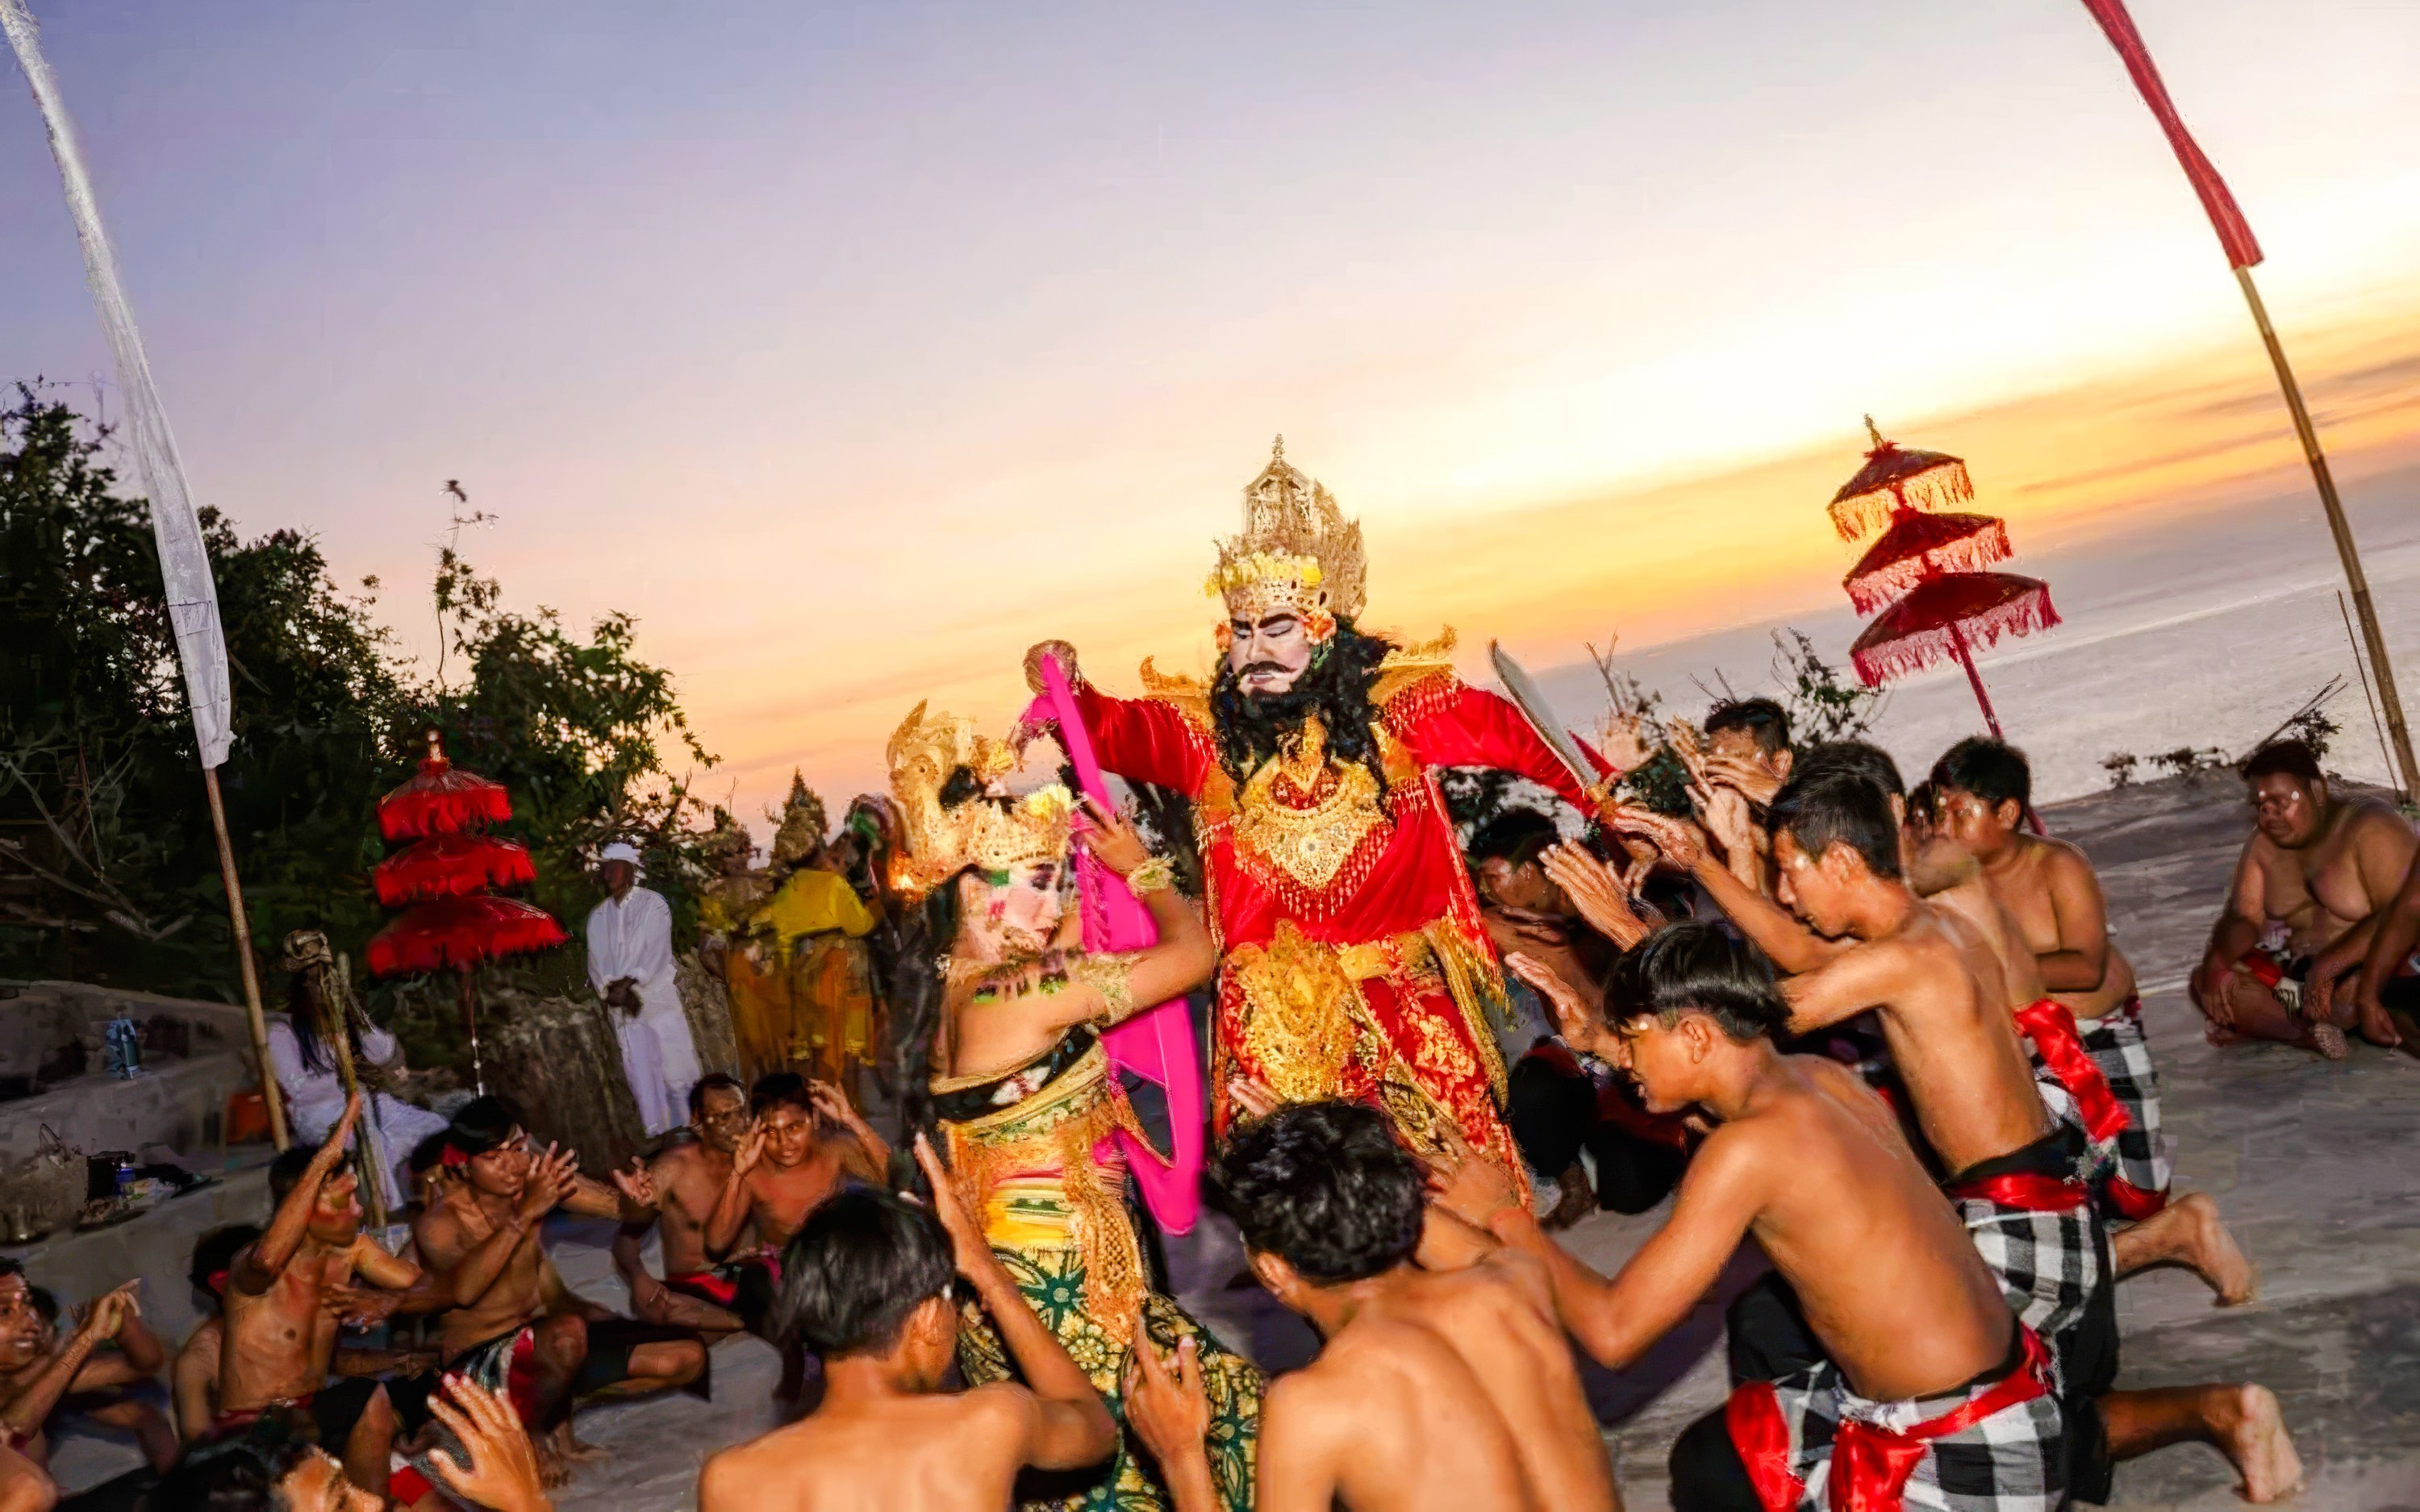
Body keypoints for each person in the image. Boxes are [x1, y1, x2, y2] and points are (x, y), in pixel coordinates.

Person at [1622, 774, 2300, 1505]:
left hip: (2019, 1210)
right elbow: (1790, 953)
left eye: (1791, 870)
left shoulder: (1904, 957)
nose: (1788, 893)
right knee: (2013, 1406)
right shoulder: (1926, 928)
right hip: (2030, 1192)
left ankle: (2221, 1409)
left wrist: (1631, 964)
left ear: (1844, 863)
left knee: (2025, 1421)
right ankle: (2197, 1333)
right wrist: (1701, 864)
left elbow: (1736, 1031)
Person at [1023, 438, 1618, 1177]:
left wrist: (1613, 798)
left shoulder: (1398, 706)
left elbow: (1520, 737)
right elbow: (1110, 729)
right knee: (1307, 1214)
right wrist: (1066, 682)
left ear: (1324, 629)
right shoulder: (1203, 737)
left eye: (1276, 629)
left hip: (1406, 999)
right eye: (1241, 633)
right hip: (1279, 1027)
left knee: (1460, 1188)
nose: (1254, 651)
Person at [1434, 922, 2062, 1512]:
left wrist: (1506, 1215)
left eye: (1632, 1038)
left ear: (1699, 1037)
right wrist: (1601, 1041)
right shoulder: (1818, 1077)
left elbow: (1614, 1331)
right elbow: (1708, 1113)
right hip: (2006, 1381)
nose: (1624, 1059)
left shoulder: (1750, 1149)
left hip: (1963, 1441)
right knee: (1719, 1447)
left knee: (1726, 1448)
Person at [888, 708, 1264, 1509]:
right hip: (1074, 1291)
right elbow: (1195, 954)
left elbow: (1055, 945)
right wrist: (1141, 869)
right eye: (1027, 882)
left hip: (1007, 1296)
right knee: (1195, 1445)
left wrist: (1056, 864)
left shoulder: (947, 1003)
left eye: (1051, 882)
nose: (1045, 901)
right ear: (967, 891)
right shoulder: (1025, 996)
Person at [1133, 1099, 1618, 1512]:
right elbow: (1473, 1248)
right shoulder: (1515, 1284)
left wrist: (1181, 1456)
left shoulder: (1313, 1403)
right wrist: (1349, 1171)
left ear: (1274, 1270)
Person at [1928, 741, 2254, 1304]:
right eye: (1939, 811)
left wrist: (2000, 967)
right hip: (2026, 1055)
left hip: (2099, 1037)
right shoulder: (1950, 882)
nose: (1944, 825)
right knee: (2063, 1186)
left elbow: (2087, 963)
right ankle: (2091, 1225)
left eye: (1959, 812)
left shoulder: (2057, 864)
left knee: (2139, 1195)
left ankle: (2142, 1219)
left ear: (2006, 814)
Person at [694, 1149, 1118, 1512]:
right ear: (929, 1319)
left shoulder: (728, 1482)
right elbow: (1096, 1428)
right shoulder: (989, 1425)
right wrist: (989, 1276)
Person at [410, 1096, 704, 1467]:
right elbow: (465, 1292)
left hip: (546, 1353)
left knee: (686, 1358)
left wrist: (640, 1199)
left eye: (517, 1149)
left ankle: (556, 1401)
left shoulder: (536, 1177)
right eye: (494, 1157)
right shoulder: (441, 1221)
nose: (512, 1166)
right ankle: (532, 1433)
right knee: (567, 1332)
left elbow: (617, 1207)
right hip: (480, 1372)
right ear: (467, 1166)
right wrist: (528, 1209)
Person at [213, 1095, 440, 1502]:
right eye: (345, 1199)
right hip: (253, 1429)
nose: (359, 1209)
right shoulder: (250, 1264)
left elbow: (428, 1286)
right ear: (306, 1207)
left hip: (312, 1414)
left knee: (379, 1406)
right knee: (368, 1399)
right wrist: (322, 1161)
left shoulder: (352, 1248)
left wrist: (387, 1303)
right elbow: (267, 1261)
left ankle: (375, 1503)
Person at [1467, 809, 1683, 1223]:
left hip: (1651, 1067)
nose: (1484, 890)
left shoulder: (1611, 901)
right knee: (1533, 1089)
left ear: (1530, 871)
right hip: (1583, 1066)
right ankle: (1567, 1172)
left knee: (1629, 1191)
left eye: (1493, 878)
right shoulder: (1509, 923)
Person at [2191, 739, 2419, 1056]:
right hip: (2303, 984)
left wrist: (2331, 966)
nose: (2272, 815)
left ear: (2318, 789)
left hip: (2370, 971)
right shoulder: (2263, 843)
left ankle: (2337, 1017)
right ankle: (2307, 1035)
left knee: (2372, 989)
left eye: (2283, 802)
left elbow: (2406, 912)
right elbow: (2245, 918)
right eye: (2263, 806)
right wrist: (2218, 962)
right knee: (2209, 980)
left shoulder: (2369, 826)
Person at [268, 931, 450, 1214]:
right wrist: (344, 1074)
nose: (324, 986)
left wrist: (350, 1007)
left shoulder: (345, 1021)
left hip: (371, 1103)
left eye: (328, 978)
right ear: (300, 989)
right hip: (323, 1115)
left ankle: (435, 1198)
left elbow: (383, 1053)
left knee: (435, 1127)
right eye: (315, 981)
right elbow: (298, 1090)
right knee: (375, 1142)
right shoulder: (283, 1032)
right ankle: (391, 1213)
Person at [613, 1074, 765, 1337]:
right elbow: (625, 1241)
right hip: (691, 1289)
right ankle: (742, 1323)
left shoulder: (759, 1164)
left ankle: (744, 1322)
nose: (737, 1125)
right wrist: (639, 1278)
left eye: (741, 1113)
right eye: (723, 1117)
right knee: (670, 1316)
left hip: (747, 1284)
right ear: (698, 1120)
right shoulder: (672, 1170)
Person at [757, 780, 884, 1092]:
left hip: (804, 985)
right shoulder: (832, 885)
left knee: (814, 1057)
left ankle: (817, 1113)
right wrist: (877, 905)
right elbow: (860, 926)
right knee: (847, 1052)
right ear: (815, 849)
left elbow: (783, 947)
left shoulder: (784, 895)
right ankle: (846, 1113)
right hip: (843, 977)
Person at [0, 1264, 154, 1502]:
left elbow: (140, 1366)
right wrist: (87, 1336)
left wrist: (126, 1323)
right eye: (4, 1312)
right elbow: (16, 1422)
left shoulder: (37, 1377)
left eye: (25, 1306)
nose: (27, 1322)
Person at [586, 840, 704, 1135]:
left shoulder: (653, 903)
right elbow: (597, 964)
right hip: (623, 1009)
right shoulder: (598, 916)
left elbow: (656, 954)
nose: (608, 873)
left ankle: (696, 1134)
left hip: (657, 1001)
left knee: (678, 1073)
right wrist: (614, 992)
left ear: (629, 870)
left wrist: (630, 983)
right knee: (641, 1078)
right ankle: (660, 1141)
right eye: (605, 868)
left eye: (614, 867)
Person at [7, 1285, 175, 1476]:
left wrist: (125, 1324)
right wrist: (90, 1336)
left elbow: (144, 1365)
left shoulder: (42, 1370)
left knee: (144, 1415)